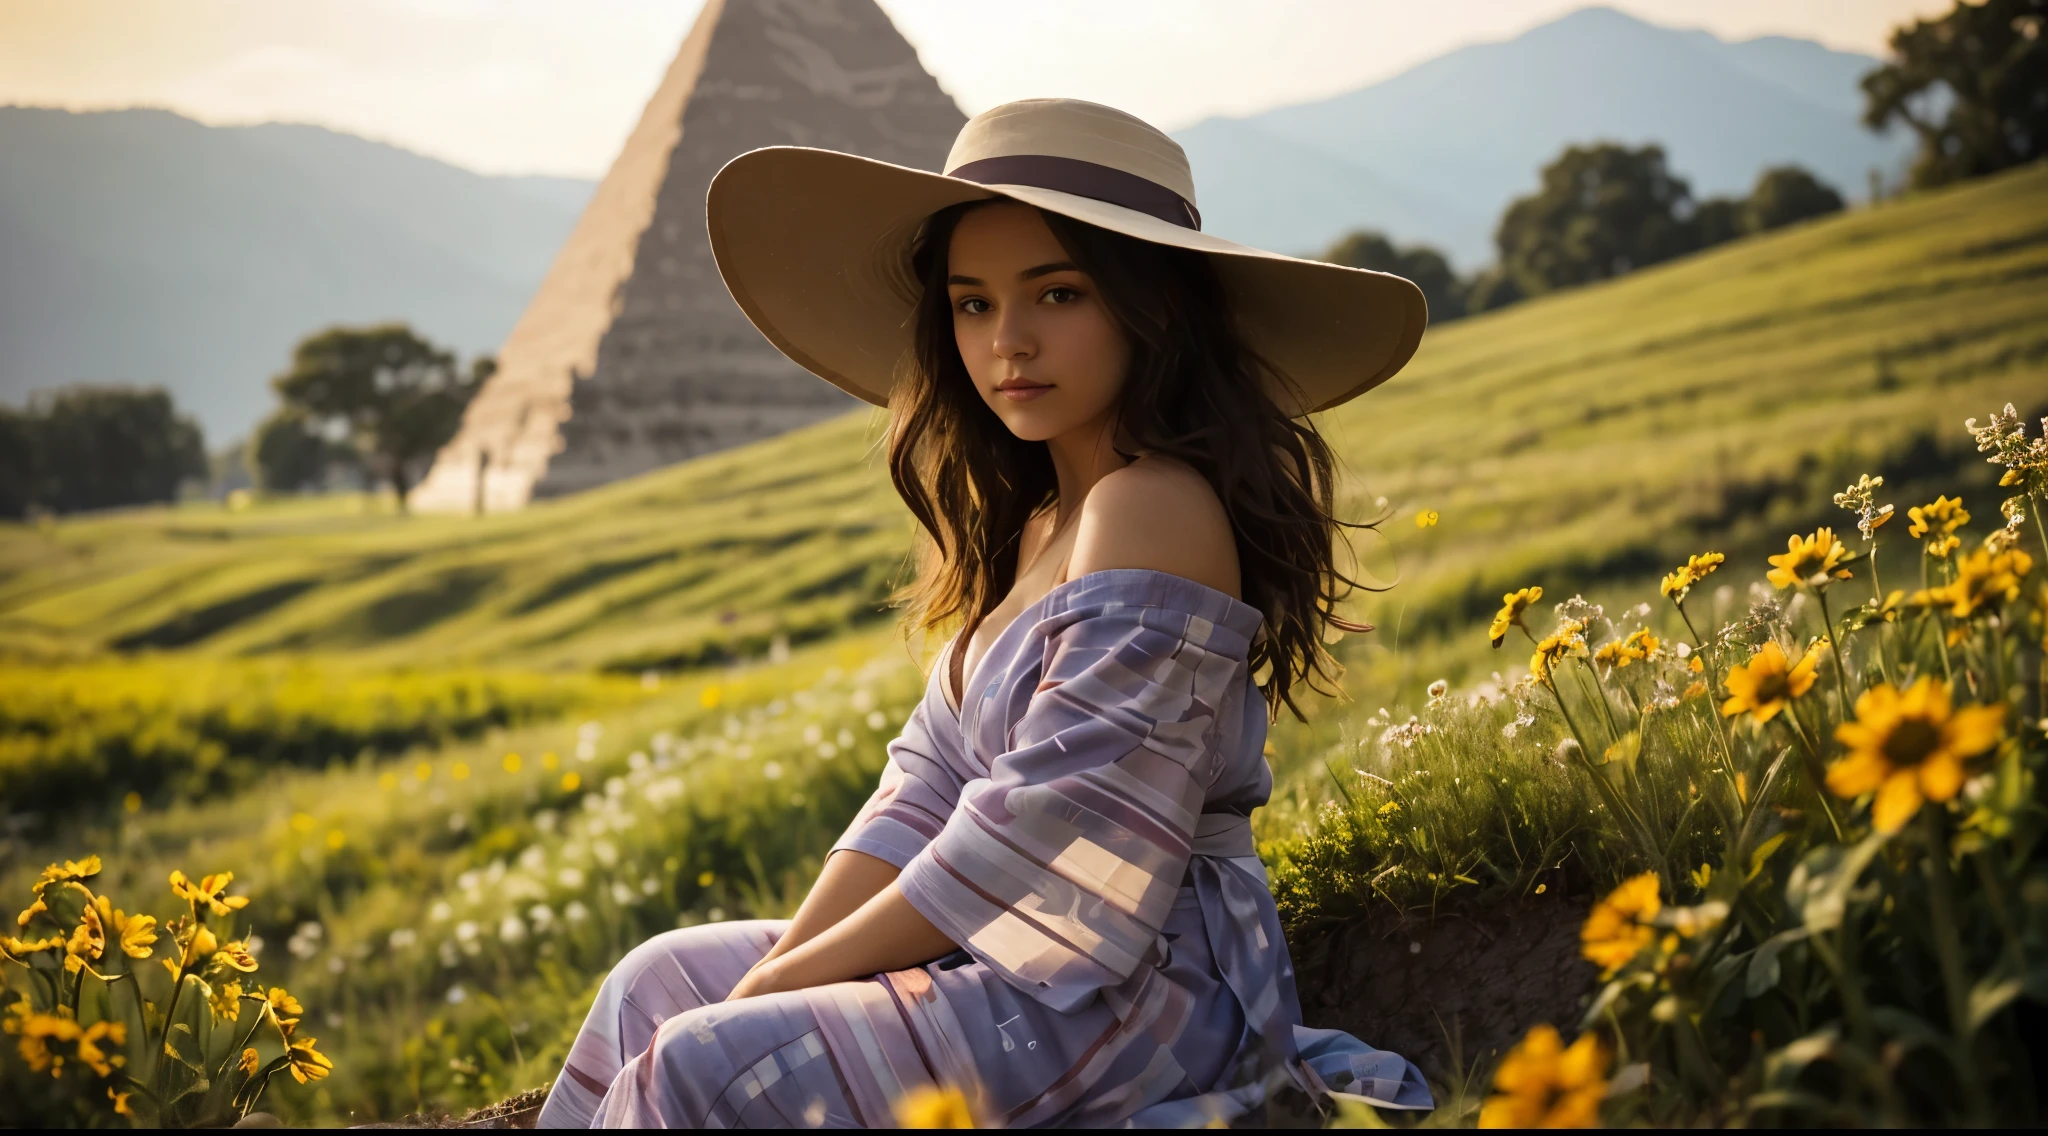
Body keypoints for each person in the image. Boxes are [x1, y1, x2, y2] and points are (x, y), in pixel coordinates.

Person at [537, 98, 1432, 1129]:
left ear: (1157, 311)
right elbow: (918, 796)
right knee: (654, 980)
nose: (1007, 341)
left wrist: (763, 998)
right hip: (1001, 944)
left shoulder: (1153, 506)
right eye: (970, 304)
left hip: (1132, 984)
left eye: (1057, 292)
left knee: (702, 1060)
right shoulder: (1041, 522)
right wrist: (780, 968)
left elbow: (1034, 834)